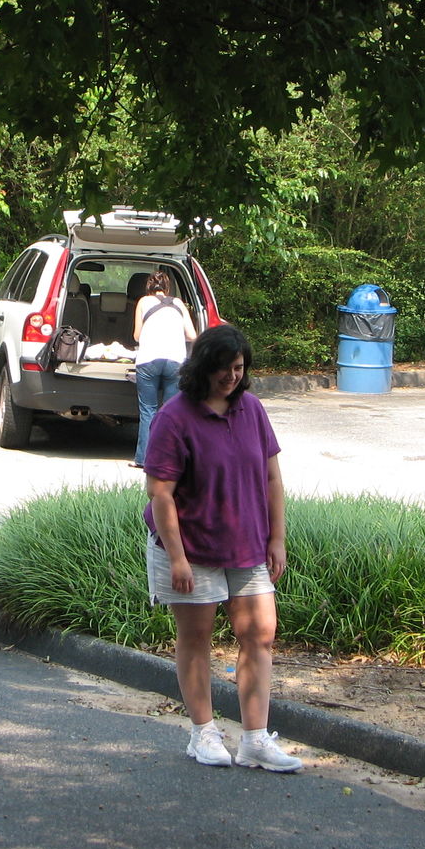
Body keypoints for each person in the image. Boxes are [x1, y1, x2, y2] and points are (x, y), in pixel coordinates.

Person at [142, 324, 303, 771]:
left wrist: (277, 538)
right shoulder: (175, 417)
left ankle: (254, 739)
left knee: (260, 634)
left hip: (247, 544)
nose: (232, 377)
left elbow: (272, 477)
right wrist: (177, 558)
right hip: (190, 547)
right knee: (196, 638)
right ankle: (203, 733)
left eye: (239, 368)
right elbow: (160, 493)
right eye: (223, 369)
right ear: (203, 368)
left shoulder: (251, 409)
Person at [131, 271, 196, 468]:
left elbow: (136, 336)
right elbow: (192, 335)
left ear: (148, 287)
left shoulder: (143, 302)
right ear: (168, 288)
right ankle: (168, 460)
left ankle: (143, 459)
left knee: (148, 410)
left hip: (148, 360)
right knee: (171, 412)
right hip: (175, 361)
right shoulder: (178, 303)